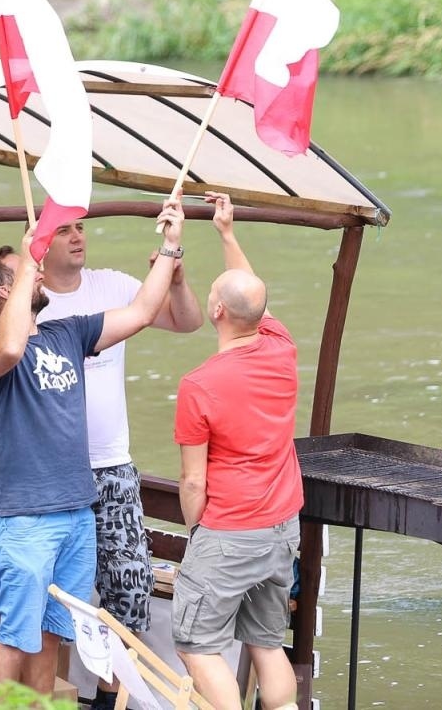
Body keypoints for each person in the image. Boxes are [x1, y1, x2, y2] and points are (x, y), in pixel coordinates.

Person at [0, 218, 203, 710]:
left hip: (76, 511)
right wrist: (32, 258)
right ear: (8, 289)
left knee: (53, 633)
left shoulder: (67, 332)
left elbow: (139, 313)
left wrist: (171, 247)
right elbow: (11, 346)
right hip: (26, 518)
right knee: (15, 636)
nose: (40, 274)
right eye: (26, 271)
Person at [172, 192, 302, 710]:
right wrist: (226, 233)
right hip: (280, 528)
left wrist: (195, 529)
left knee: (196, 643)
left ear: (217, 310)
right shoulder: (281, 347)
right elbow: (256, 300)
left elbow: (193, 482)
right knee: (267, 642)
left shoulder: (199, 385)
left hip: (229, 529)